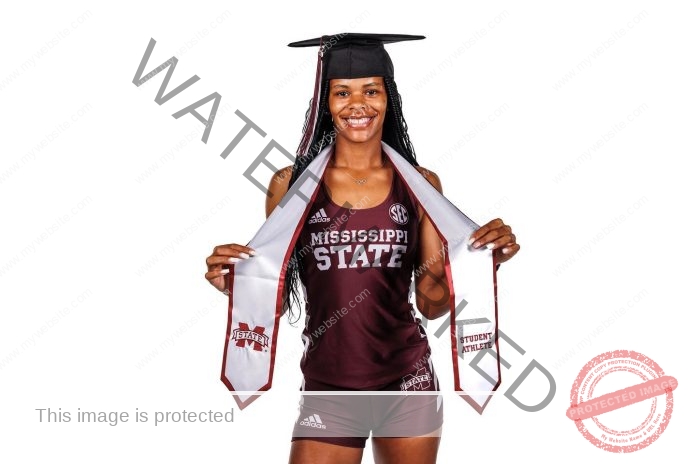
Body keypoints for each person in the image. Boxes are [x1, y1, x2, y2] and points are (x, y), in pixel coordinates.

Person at [205, 33, 520, 464]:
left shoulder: (419, 185)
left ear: (387, 98)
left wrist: (482, 265)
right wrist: (236, 286)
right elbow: (272, 301)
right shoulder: (291, 186)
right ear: (326, 103)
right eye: (342, 93)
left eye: (371, 90)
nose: (358, 104)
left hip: (407, 382)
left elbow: (431, 304)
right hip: (328, 386)